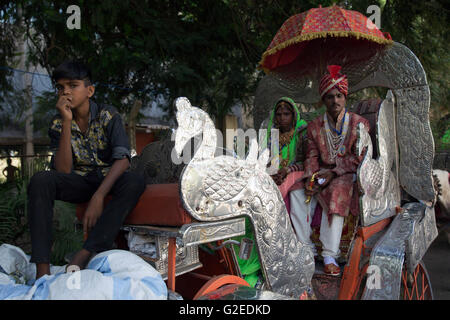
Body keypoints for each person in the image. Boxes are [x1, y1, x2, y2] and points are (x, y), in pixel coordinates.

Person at [27, 61, 145, 280]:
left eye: (73, 85)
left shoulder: (107, 115)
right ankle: (42, 270)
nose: (66, 92)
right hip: (79, 182)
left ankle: (85, 252)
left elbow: (123, 160)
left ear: (89, 91)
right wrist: (66, 122)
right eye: (61, 87)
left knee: (134, 181)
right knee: (41, 180)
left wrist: (99, 195)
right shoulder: (57, 123)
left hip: (109, 179)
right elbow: (63, 170)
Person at [289, 65, 370, 276]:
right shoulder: (315, 126)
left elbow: (359, 158)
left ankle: (329, 254)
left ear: (345, 98)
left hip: (346, 175)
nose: (335, 101)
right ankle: (305, 247)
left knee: (337, 191)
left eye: (339, 96)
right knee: (296, 191)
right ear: (323, 100)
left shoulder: (358, 123)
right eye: (330, 97)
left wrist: (333, 172)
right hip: (321, 172)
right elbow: (312, 155)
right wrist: (311, 177)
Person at [263, 97, 307, 186]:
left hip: (295, 175)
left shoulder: (302, 131)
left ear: (293, 115)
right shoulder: (271, 133)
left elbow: (308, 161)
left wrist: (288, 170)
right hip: (272, 176)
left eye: (286, 114)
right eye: (279, 115)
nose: (282, 118)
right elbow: (262, 158)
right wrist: (270, 174)